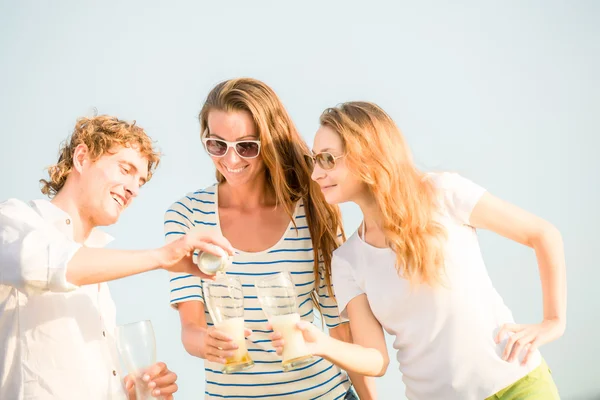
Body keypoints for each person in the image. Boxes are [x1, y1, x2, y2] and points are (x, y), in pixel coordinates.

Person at [270, 101, 565, 400]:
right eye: (314, 161)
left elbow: (542, 235)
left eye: (328, 160)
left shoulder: (443, 193)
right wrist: (320, 344)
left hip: (520, 386)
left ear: (368, 154)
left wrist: (553, 322)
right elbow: (376, 359)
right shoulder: (347, 261)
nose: (316, 174)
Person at [165, 78, 373, 399]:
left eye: (246, 146)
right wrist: (206, 342)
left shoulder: (310, 209)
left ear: (270, 142)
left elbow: (339, 328)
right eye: (217, 144)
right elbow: (190, 329)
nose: (231, 160)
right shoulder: (187, 215)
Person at [0, 115, 233, 400]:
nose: (134, 188)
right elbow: (42, 265)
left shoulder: (99, 278)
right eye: (125, 169)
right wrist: (162, 256)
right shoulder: (14, 220)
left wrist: (134, 393)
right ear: (82, 157)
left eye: (140, 181)